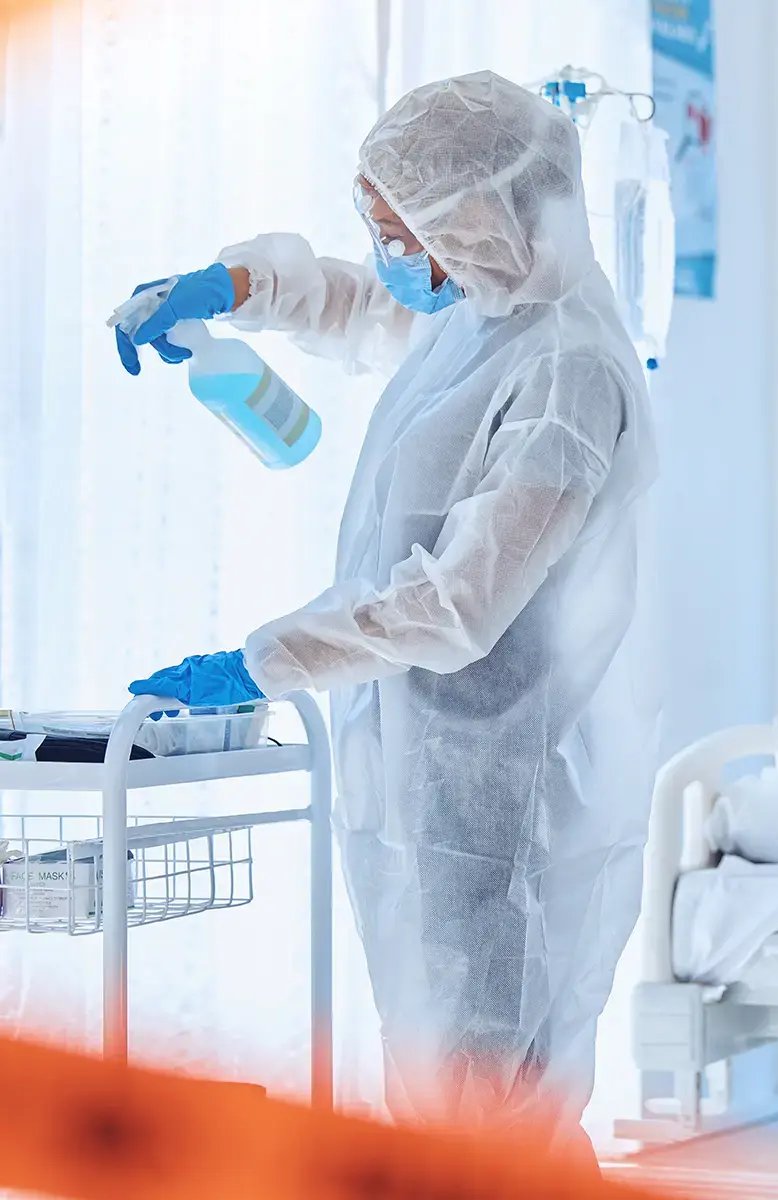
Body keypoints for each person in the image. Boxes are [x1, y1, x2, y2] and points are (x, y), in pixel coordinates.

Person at [116, 71, 658, 1146]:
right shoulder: (488, 317)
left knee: (481, 1093)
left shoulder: (566, 371)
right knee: (451, 1088)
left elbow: (461, 606)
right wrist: (232, 289)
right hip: (431, 765)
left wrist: (266, 659)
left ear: (483, 222)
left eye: (403, 233)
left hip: (496, 779)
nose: (390, 258)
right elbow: (364, 310)